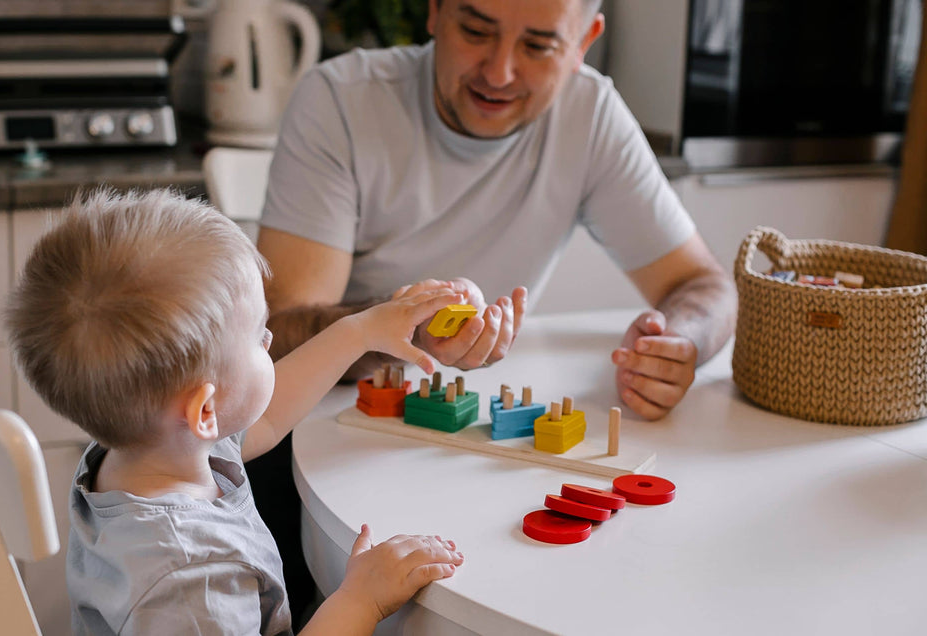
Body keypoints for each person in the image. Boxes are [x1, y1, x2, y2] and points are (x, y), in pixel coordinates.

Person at [255, 0, 736, 615]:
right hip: (315, 454)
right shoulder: (342, 99)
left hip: (462, 467)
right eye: (476, 30)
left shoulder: (589, 113)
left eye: (538, 46)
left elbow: (704, 284)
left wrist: (682, 343)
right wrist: (401, 328)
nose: (500, 72)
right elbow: (279, 334)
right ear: (433, 12)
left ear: (584, 40)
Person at [4, 188, 465, 636]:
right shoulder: (192, 585)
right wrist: (362, 600)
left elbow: (263, 418)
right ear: (205, 410)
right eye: (258, 335)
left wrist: (360, 331)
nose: (270, 341)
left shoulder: (141, 450)